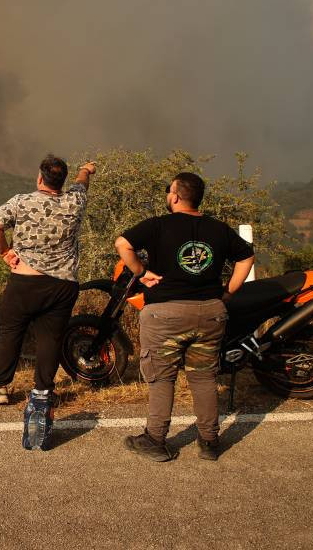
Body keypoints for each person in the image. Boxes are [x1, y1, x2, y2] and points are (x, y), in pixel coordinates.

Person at [114, 172, 255, 462]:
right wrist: (228, 292)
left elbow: (122, 244)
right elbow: (246, 256)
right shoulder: (218, 228)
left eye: (170, 191)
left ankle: (155, 439)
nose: (168, 195)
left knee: (162, 378)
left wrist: (141, 272)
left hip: (165, 314)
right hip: (210, 314)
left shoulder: (158, 225)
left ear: (176, 196)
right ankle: (210, 442)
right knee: (204, 378)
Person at [0, 155, 97, 451]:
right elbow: (82, 183)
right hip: (62, 285)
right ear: (63, 181)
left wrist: (5, 252)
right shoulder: (76, 201)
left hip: (25, 282)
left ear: (39, 178)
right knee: (50, 339)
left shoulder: (22, 201)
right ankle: (43, 391)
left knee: (12, 333)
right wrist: (86, 169)